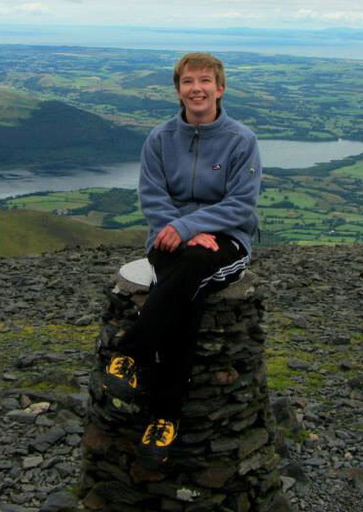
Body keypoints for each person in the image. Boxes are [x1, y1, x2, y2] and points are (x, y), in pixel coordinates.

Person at [103, 52, 261, 465]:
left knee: (189, 273)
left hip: (226, 240)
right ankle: (164, 420)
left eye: (205, 81)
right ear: (178, 90)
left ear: (220, 89)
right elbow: (152, 197)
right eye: (189, 81)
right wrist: (181, 230)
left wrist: (191, 227)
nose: (197, 88)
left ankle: (132, 355)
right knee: (185, 293)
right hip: (168, 236)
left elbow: (241, 204)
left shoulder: (241, 140)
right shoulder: (159, 139)